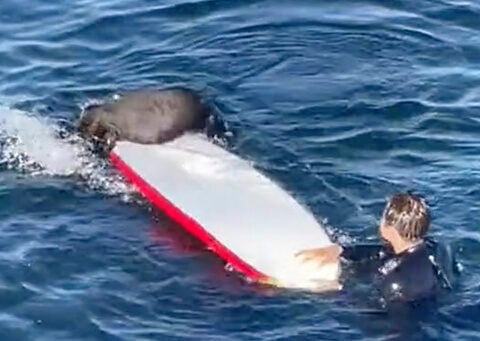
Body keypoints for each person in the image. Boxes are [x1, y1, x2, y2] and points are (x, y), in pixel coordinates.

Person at [295, 192, 459, 303]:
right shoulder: (439, 248)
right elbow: (383, 254)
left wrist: (337, 288)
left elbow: (369, 303)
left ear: (390, 228)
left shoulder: (395, 281)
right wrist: (342, 251)